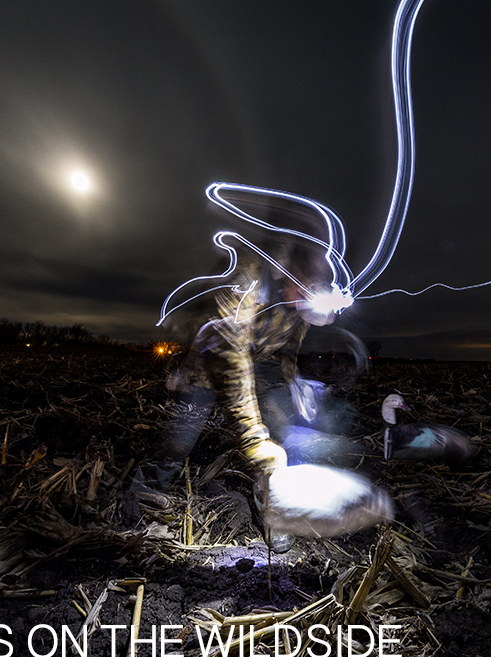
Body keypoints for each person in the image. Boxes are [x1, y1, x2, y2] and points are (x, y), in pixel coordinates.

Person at [135, 232, 356, 552]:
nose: (300, 306)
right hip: (214, 359)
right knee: (180, 440)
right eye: (302, 297)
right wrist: (254, 438)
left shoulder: (303, 293)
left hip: (261, 361)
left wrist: (292, 382)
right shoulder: (248, 275)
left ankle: (274, 510)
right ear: (293, 276)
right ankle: (142, 494)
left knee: (282, 430)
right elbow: (233, 362)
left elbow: (290, 343)